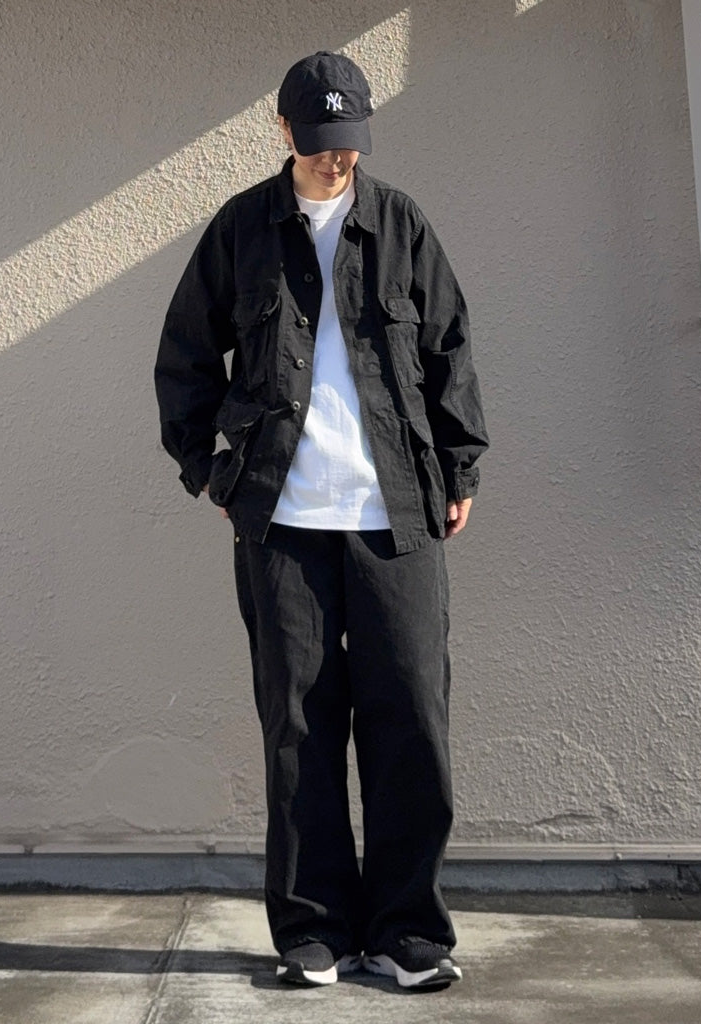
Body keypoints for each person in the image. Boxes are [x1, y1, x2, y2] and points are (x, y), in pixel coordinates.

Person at [154, 50, 488, 989]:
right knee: (298, 725)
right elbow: (184, 356)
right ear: (284, 131)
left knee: (411, 715)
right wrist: (212, 473)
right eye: (319, 141)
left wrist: (458, 464)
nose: (337, 158)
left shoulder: (400, 225)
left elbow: (450, 348)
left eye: (349, 142)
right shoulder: (242, 230)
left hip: (396, 512)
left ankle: (407, 932)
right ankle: (314, 933)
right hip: (283, 518)